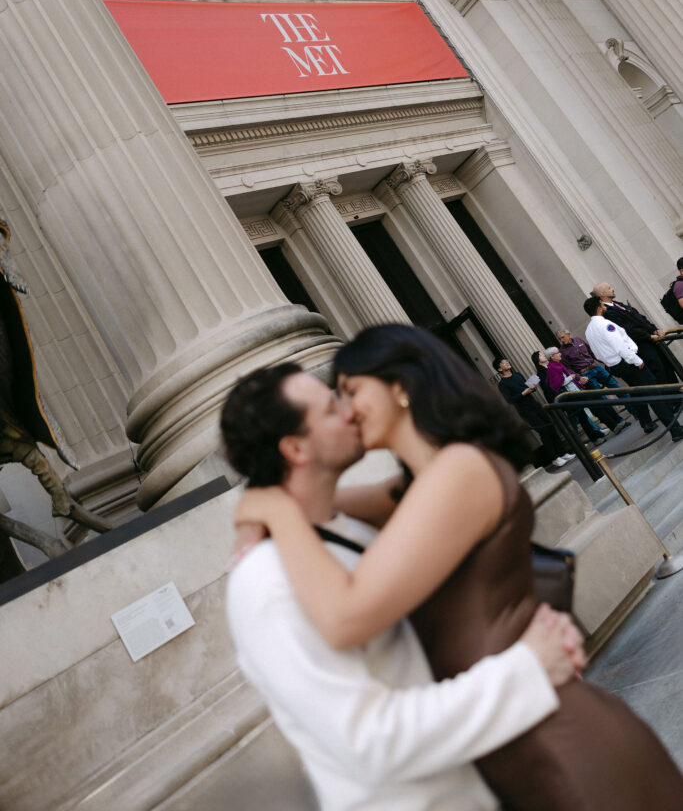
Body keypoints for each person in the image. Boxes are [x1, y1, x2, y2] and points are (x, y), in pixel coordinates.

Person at [235, 326, 683, 811]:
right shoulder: (420, 486)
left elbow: (346, 613)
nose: (344, 410)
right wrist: (274, 500)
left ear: (400, 388)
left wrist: (272, 508)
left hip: (550, 739)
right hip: (509, 729)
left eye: (348, 391)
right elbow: (326, 503)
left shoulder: (457, 472)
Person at [223, 363, 582, 811]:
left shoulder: (343, 528)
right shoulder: (265, 583)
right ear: (295, 447)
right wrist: (526, 668)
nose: (350, 411)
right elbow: (368, 741)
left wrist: (271, 506)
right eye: (331, 407)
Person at [584, 296, 683, 441]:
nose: (604, 306)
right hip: (629, 362)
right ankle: (675, 430)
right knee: (654, 395)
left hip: (617, 366)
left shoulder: (589, 330)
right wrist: (636, 360)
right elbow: (619, 345)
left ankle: (649, 423)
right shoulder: (605, 325)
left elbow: (597, 354)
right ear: (599, 307)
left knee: (639, 393)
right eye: (601, 304)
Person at [492, 355, 575, 469]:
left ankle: (563, 453)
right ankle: (555, 458)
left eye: (507, 361)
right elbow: (510, 400)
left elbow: (526, 387)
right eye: (504, 363)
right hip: (525, 409)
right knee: (543, 431)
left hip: (534, 404)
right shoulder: (502, 384)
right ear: (499, 369)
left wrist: (532, 387)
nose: (507, 363)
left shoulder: (517, 375)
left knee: (550, 427)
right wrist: (523, 393)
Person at [591, 281, 680, 385]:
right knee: (659, 372)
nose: (613, 289)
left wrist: (654, 330)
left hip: (652, 341)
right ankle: (674, 399)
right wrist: (649, 336)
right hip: (642, 346)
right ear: (602, 294)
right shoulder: (608, 313)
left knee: (668, 368)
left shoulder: (618, 304)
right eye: (609, 288)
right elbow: (628, 329)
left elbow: (640, 318)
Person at [555, 327, 636, 424]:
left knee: (617, 387)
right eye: (559, 339)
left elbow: (592, 352)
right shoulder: (562, 352)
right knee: (602, 398)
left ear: (568, 334)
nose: (562, 340)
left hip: (596, 368)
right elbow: (568, 369)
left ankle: (635, 412)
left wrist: (606, 362)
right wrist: (579, 377)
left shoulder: (578, 340)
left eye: (563, 337)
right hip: (585, 374)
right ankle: (620, 421)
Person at [543, 346, 627, 438]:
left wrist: (576, 380)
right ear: (552, 357)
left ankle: (610, 429)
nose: (560, 354)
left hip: (575, 391)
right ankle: (606, 431)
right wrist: (571, 377)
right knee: (587, 414)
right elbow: (558, 383)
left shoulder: (558, 364)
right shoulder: (553, 367)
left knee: (590, 411)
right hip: (570, 395)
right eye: (557, 353)